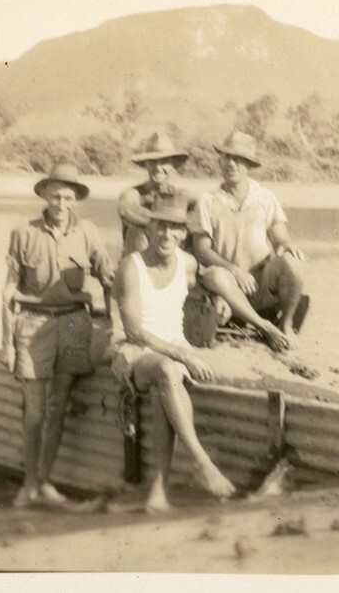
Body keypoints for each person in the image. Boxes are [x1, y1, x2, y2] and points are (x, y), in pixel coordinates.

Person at [112, 194, 237, 511]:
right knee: (168, 371)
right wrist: (184, 356)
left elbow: (202, 286)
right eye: (160, 227)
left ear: (184, 234)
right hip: (135, 352)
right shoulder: (132, 266)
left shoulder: (188, 263)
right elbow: (134, 330)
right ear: (149, 229)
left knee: (163, 389)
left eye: (175, 228)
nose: (167, 235)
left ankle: (158, 492)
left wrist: (217, 298)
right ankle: (200, 461)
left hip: (171, 350)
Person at [0, 163, 115, 507]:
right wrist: (6, 343)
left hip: (73, 324)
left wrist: (115, 324)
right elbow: (7, 292)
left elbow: (108, 279)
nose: (61, 203)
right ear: (44, 195)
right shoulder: (24, 232)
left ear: (75, 200)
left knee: (59, 406)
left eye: (68, 196)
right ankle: (30, 484)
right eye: (55, 195)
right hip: (33, 323)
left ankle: (45, 482)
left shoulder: (89, 232)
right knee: (35, 411)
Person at [192, 130, 306, 351]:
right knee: (215, 275)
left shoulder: (265, 197)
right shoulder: (208, 200)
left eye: (238, 159)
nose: (231, 164)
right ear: (220, 160)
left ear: (249, 165)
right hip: (228, 286)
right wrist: (235, 271)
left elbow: (279, 236)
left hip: (261, 282)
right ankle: (264, 326)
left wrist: (286, 244)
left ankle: (286, 323)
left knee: (294, 262)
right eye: (226, 157)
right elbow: (201, 249)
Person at [117, 130, 192, 254]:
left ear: (172, 165)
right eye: (153, 162)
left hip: (169, 253)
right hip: (138, 255)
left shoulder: (179, 194)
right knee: (138, 231)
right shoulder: (134, 193)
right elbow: (124, 210)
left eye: (164, 162)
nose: (158, 168)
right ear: (145, 165)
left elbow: (203, 201)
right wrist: (162, 223)